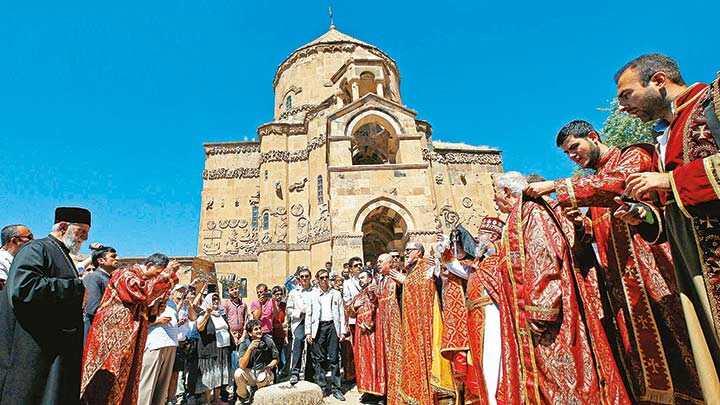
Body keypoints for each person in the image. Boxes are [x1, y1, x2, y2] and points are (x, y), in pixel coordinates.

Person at [525, 119, 703, 403]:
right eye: (567, 154)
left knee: (679, 346)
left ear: (594, 137)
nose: (573, 156)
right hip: (623, 285)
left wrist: (557, 185)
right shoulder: (595, 180)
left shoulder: (632, 156)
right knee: (640, 360)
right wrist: (583, 226)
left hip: (654, 270)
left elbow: (619, 184)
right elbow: (604, 231)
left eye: (575, 148)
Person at [613, 54, 720, 399]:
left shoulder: (712, 101)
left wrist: (669, 180)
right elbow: (673, 207)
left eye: (626, 95)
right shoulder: (667, 135)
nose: (622, 108)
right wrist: (644, 216)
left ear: (658, 80)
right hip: (695, 266)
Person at [481, 172, 630, 403]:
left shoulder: (532, 213)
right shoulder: (519, 217)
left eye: (495, 194)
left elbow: (545, 258)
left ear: (508, 193)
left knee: (563, 382)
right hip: (528, 320)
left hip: (546, 321)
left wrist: (540, 312)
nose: (493, 200)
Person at [0, 207, 90, 404]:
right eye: (81, 232)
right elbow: (24, 288)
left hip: (54, 352)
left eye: (87, 233)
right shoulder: (36, 249)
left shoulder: (61, 253)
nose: (84, 238)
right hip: (34, 352)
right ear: (63, 226)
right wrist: (76, 288)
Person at [80, 253, 180, 404]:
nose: (157, 277)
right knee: (106, 382)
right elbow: (140, 293)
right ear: (149, 265)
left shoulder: (144, 280)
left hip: (130, 340)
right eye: (157, 273)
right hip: (112, 338)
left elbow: (145, 308)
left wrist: (155, 308)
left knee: (127, 380)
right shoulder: (125, 274)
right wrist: (166, 277)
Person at [398, 240, 456, 404]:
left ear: (419, 252)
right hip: (413, 324)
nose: (406, 253)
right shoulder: (413, 269)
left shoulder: (425, 266)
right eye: (406, 250)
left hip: (424, 323)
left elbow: (426, 287)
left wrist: (405, 281)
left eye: (410, 250)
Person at [307, 268, 346, 401]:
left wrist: (342, 331)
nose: (324, 280)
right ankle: (322, 387)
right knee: (318, 359)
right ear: (317, 280)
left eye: (326, 277)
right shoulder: (312, 295)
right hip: (318, 328)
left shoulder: (336, 293)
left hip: (332, 327)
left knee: (334, 358)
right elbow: (309, 313)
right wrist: (308, 332)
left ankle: (336, 388)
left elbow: (341, 313)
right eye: (322, 277)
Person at [349, 269, 384, 402]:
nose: (361, 280)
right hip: (360, 335)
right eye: (360, 278)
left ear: (370, 278)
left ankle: (379, 392)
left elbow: (379, 307)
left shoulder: (376, 291)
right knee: (362, 362)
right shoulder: (358, 295)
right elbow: (350, 313)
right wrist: (354, 307)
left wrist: (370, 324)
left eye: (363, 277)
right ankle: (367, 390)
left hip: (373, 333)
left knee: (375, 361)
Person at [195, 292, 234, 404]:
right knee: (209, 375)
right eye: (213, 299)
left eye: (217, 299)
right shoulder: (203, 313)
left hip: (223, 349)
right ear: (208, 301)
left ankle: (216, 399)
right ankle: (207, 401)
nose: (216, 301)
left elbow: (227, 328)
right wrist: (207, 313)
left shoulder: (220, 314)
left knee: (219, 375)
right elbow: (200, 328)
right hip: (210, 350)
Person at [234, 320, 279, 405]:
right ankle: (244, 397)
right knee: (238, 373)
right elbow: (242, 365)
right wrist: (250, 349)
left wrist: (269, 366)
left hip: (264, 372)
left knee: (262, 378)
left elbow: (276, 359)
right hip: (250, 373)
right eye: (256, 329)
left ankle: (256, 393)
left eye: (259, 328)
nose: (259, 331)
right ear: (250, 333)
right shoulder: (244, 344)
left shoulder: (268, 341)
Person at [82, 244, 118, 341]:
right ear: (101, 261)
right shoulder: (94, 277)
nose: (117, 259)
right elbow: (93, 308)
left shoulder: (111, 279)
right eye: (113, 257)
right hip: (94, 332)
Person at [285, 267, 314, 385]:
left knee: (313, 346)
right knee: (298, 341)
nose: (305, 278)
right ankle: (295, 372)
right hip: (299, 321)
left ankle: (309, 374)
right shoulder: (293, 293)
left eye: (307, 276)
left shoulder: (315, 291)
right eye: (302, 276)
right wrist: (300, 313)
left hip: (312, 321)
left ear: (310, 277)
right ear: (299, 279)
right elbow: (289, 309)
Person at [0, 224, 33, 290]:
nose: (33, 241)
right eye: (30, 237)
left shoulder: (20, 260)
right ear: (15, 240)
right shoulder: (1, 260)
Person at [270, 285, 288, 378]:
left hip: (281, 335)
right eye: (277, 294)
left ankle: (280, 374)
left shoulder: (283, 306)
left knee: (281, 356)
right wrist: (279, 325)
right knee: (273, 356)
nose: (279, 296)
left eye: (281, 294)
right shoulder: (270, 305)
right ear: (272, 295)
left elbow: (286, 320)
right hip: (271, 334)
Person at [222, 281, 248, 345]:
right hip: (230, 335)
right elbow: (225, 321)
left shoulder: (243, 304)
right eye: (232, 290)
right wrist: (233, 337)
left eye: (236, 289)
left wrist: (243, 336)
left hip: (242, 335)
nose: (235, 291)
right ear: (228, 292)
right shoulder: (226, 304)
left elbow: (246, 319)